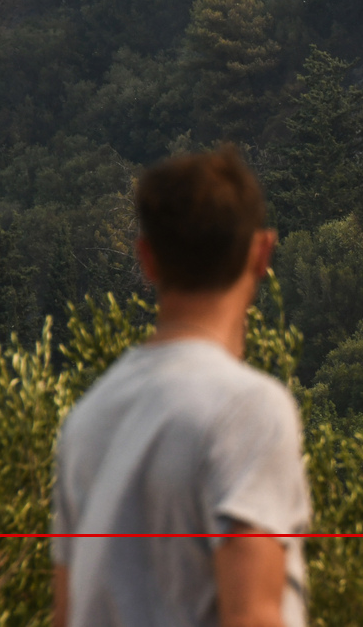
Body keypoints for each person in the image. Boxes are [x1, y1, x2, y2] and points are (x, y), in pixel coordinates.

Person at [50, 146, 312, 627]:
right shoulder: (248, 410)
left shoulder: (86, 421)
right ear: (262, 253)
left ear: (147, 259)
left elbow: (66, 614)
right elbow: (252, 616)